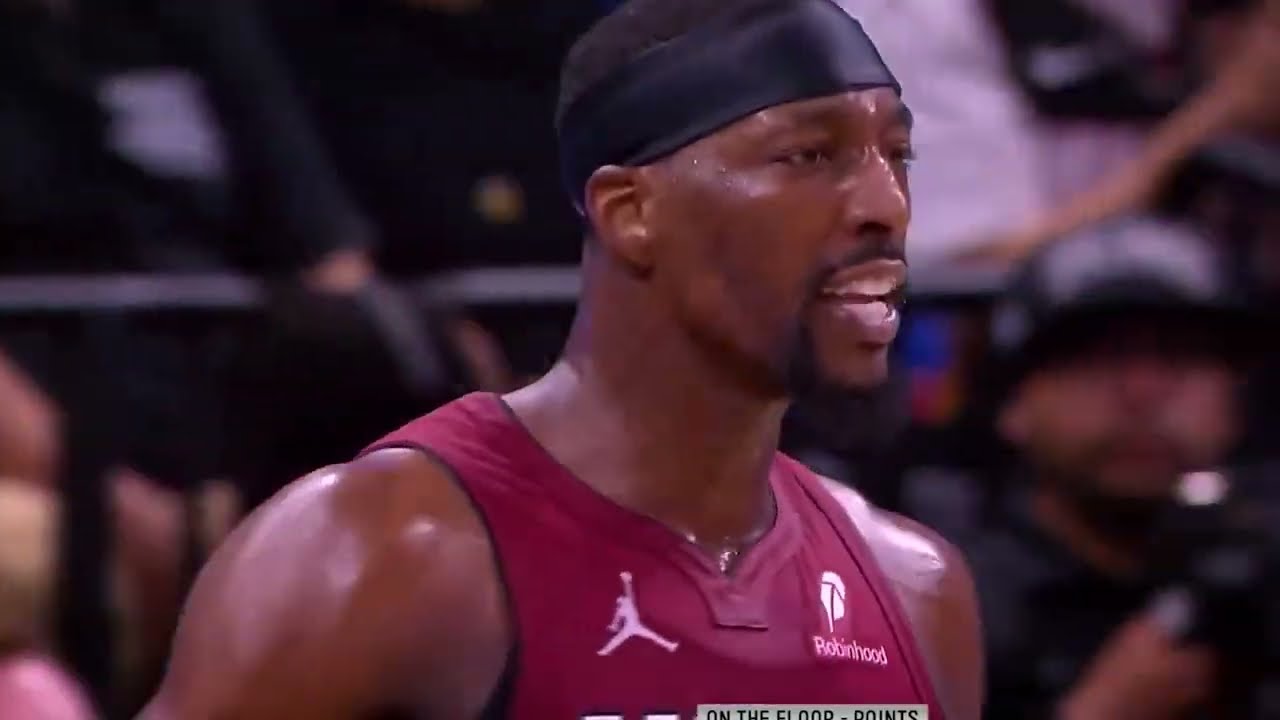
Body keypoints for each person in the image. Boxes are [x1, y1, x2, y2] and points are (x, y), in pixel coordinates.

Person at [139, 0, 983, 718]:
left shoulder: (915, 590)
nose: (887, 206)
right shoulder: (378, 554)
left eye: (897, 155)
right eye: (810, 155)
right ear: (631, 213)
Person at [964, 218, 1260, 719]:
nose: (1142, 392)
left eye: (1181, 355)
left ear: (1237, 400)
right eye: (1097, 357)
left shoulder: (1261, 578)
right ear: (1013, 402)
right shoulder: (923, 601)